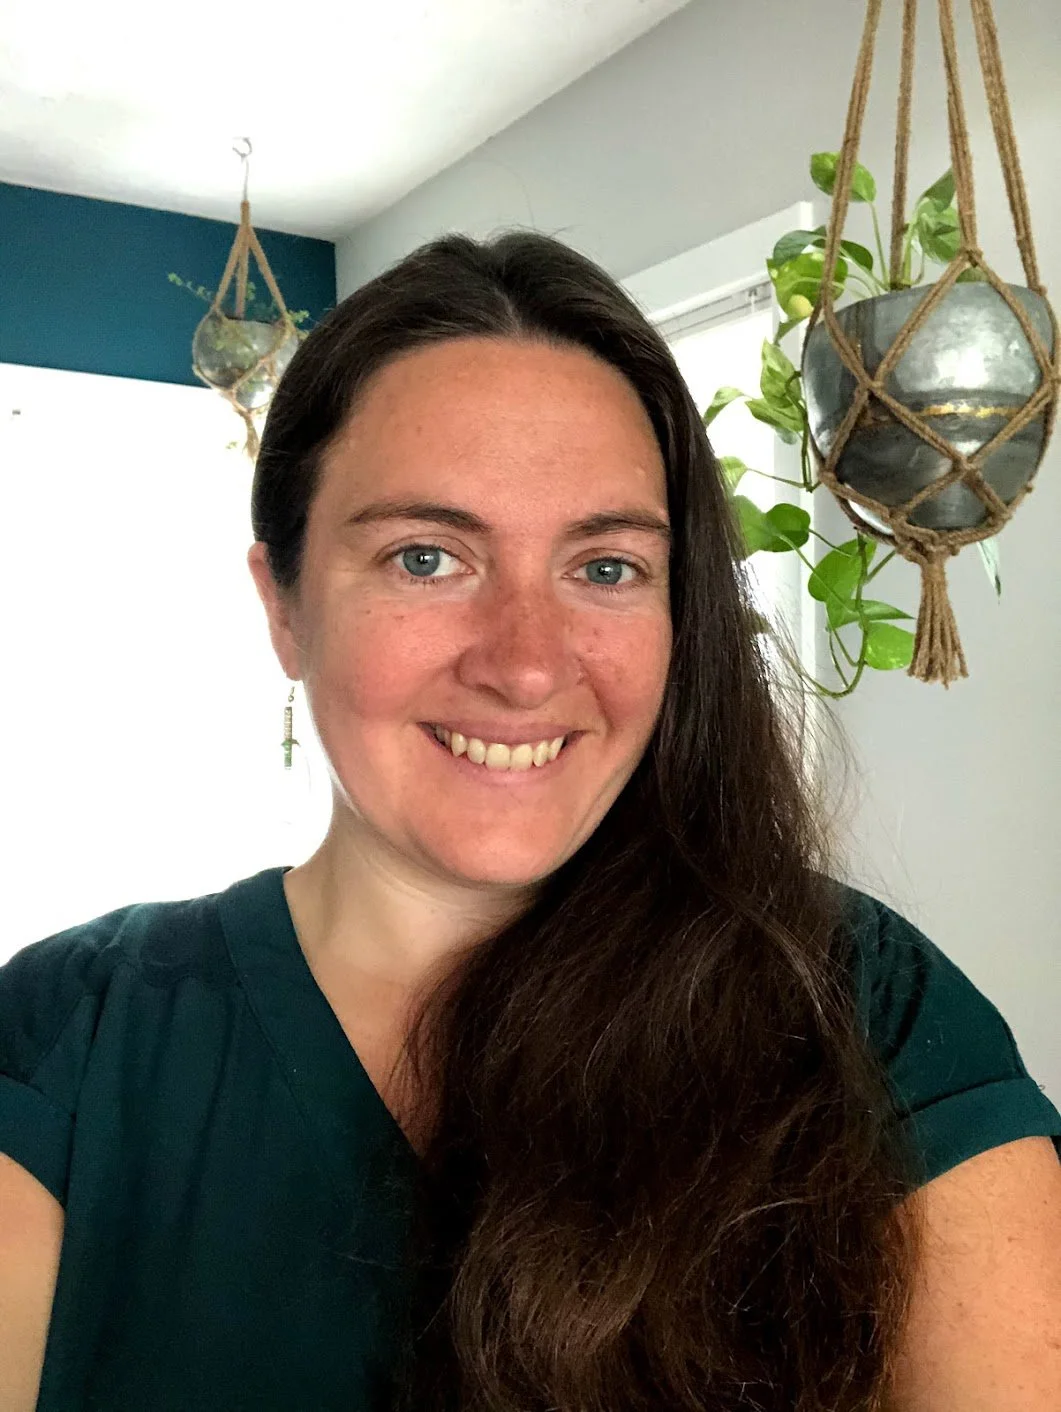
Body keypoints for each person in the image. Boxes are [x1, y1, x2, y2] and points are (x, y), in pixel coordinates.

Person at [2, 231, 1060, 1412]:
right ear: (285, 605)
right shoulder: (66, 1040)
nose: (523, 664)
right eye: (425, 556)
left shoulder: (863, 1004)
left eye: (604, 568)